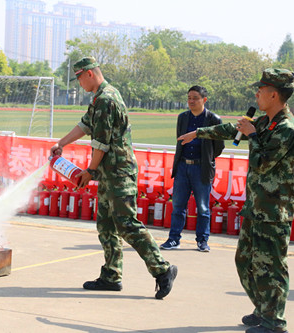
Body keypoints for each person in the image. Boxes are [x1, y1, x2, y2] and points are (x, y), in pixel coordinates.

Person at [50, 56, 177, 299]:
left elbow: (101, 144)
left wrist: (89, 171)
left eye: (78, 78)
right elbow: (85, 125)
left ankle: (162, 270)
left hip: (119, 173)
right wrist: (61, 144)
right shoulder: (99, 98)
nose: (79, 84)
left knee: (127, 224)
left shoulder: (107, 99)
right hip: (109, 173)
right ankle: (111, 275)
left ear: (89, 73)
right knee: (106, 225)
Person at [178, 68, 294, 333]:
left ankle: (274, 322)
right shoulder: (267, 121)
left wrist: (252, 135)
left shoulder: (286, 128)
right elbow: (233, 128)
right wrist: (199, 133)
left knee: (272, 267)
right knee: (245, 261)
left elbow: (262, 162)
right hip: (256, 207)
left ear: (274, 94)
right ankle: (263, 308)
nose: (256, 94)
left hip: (274, 211)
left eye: (261, 90)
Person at [160, 86, 224, 252]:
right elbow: (180, 140)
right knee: (178, 206)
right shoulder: (183, 118)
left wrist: (206, 158)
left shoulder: (213, 119)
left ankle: (202, 241)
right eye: (189, 98)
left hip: (201, 169)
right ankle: (174, 239)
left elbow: (219, 146)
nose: (191, 101)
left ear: (204, 99)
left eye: (195, 98)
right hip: (182, 167)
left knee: (203, 208)